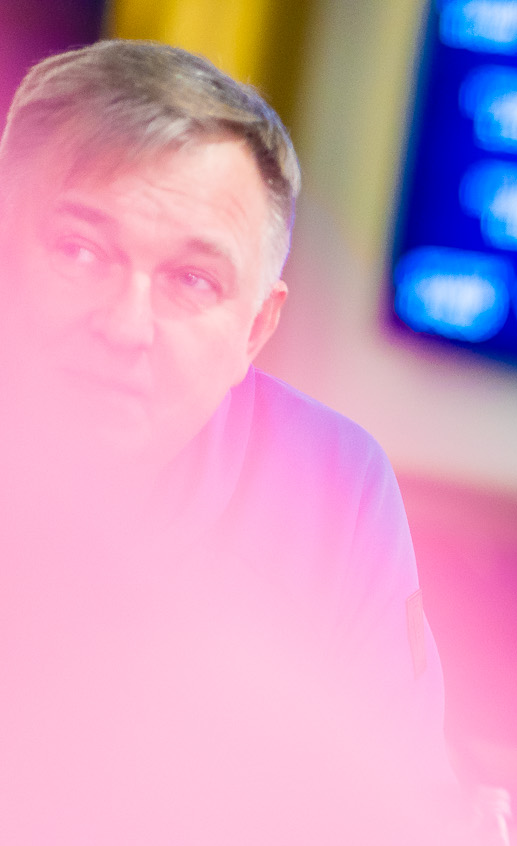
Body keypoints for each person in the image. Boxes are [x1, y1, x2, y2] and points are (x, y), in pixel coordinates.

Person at [0, 39, 444, 753]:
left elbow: (400, 799)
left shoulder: (333, 490)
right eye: (79, 251)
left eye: (192, 280)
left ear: (256, 329)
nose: (125, 326)